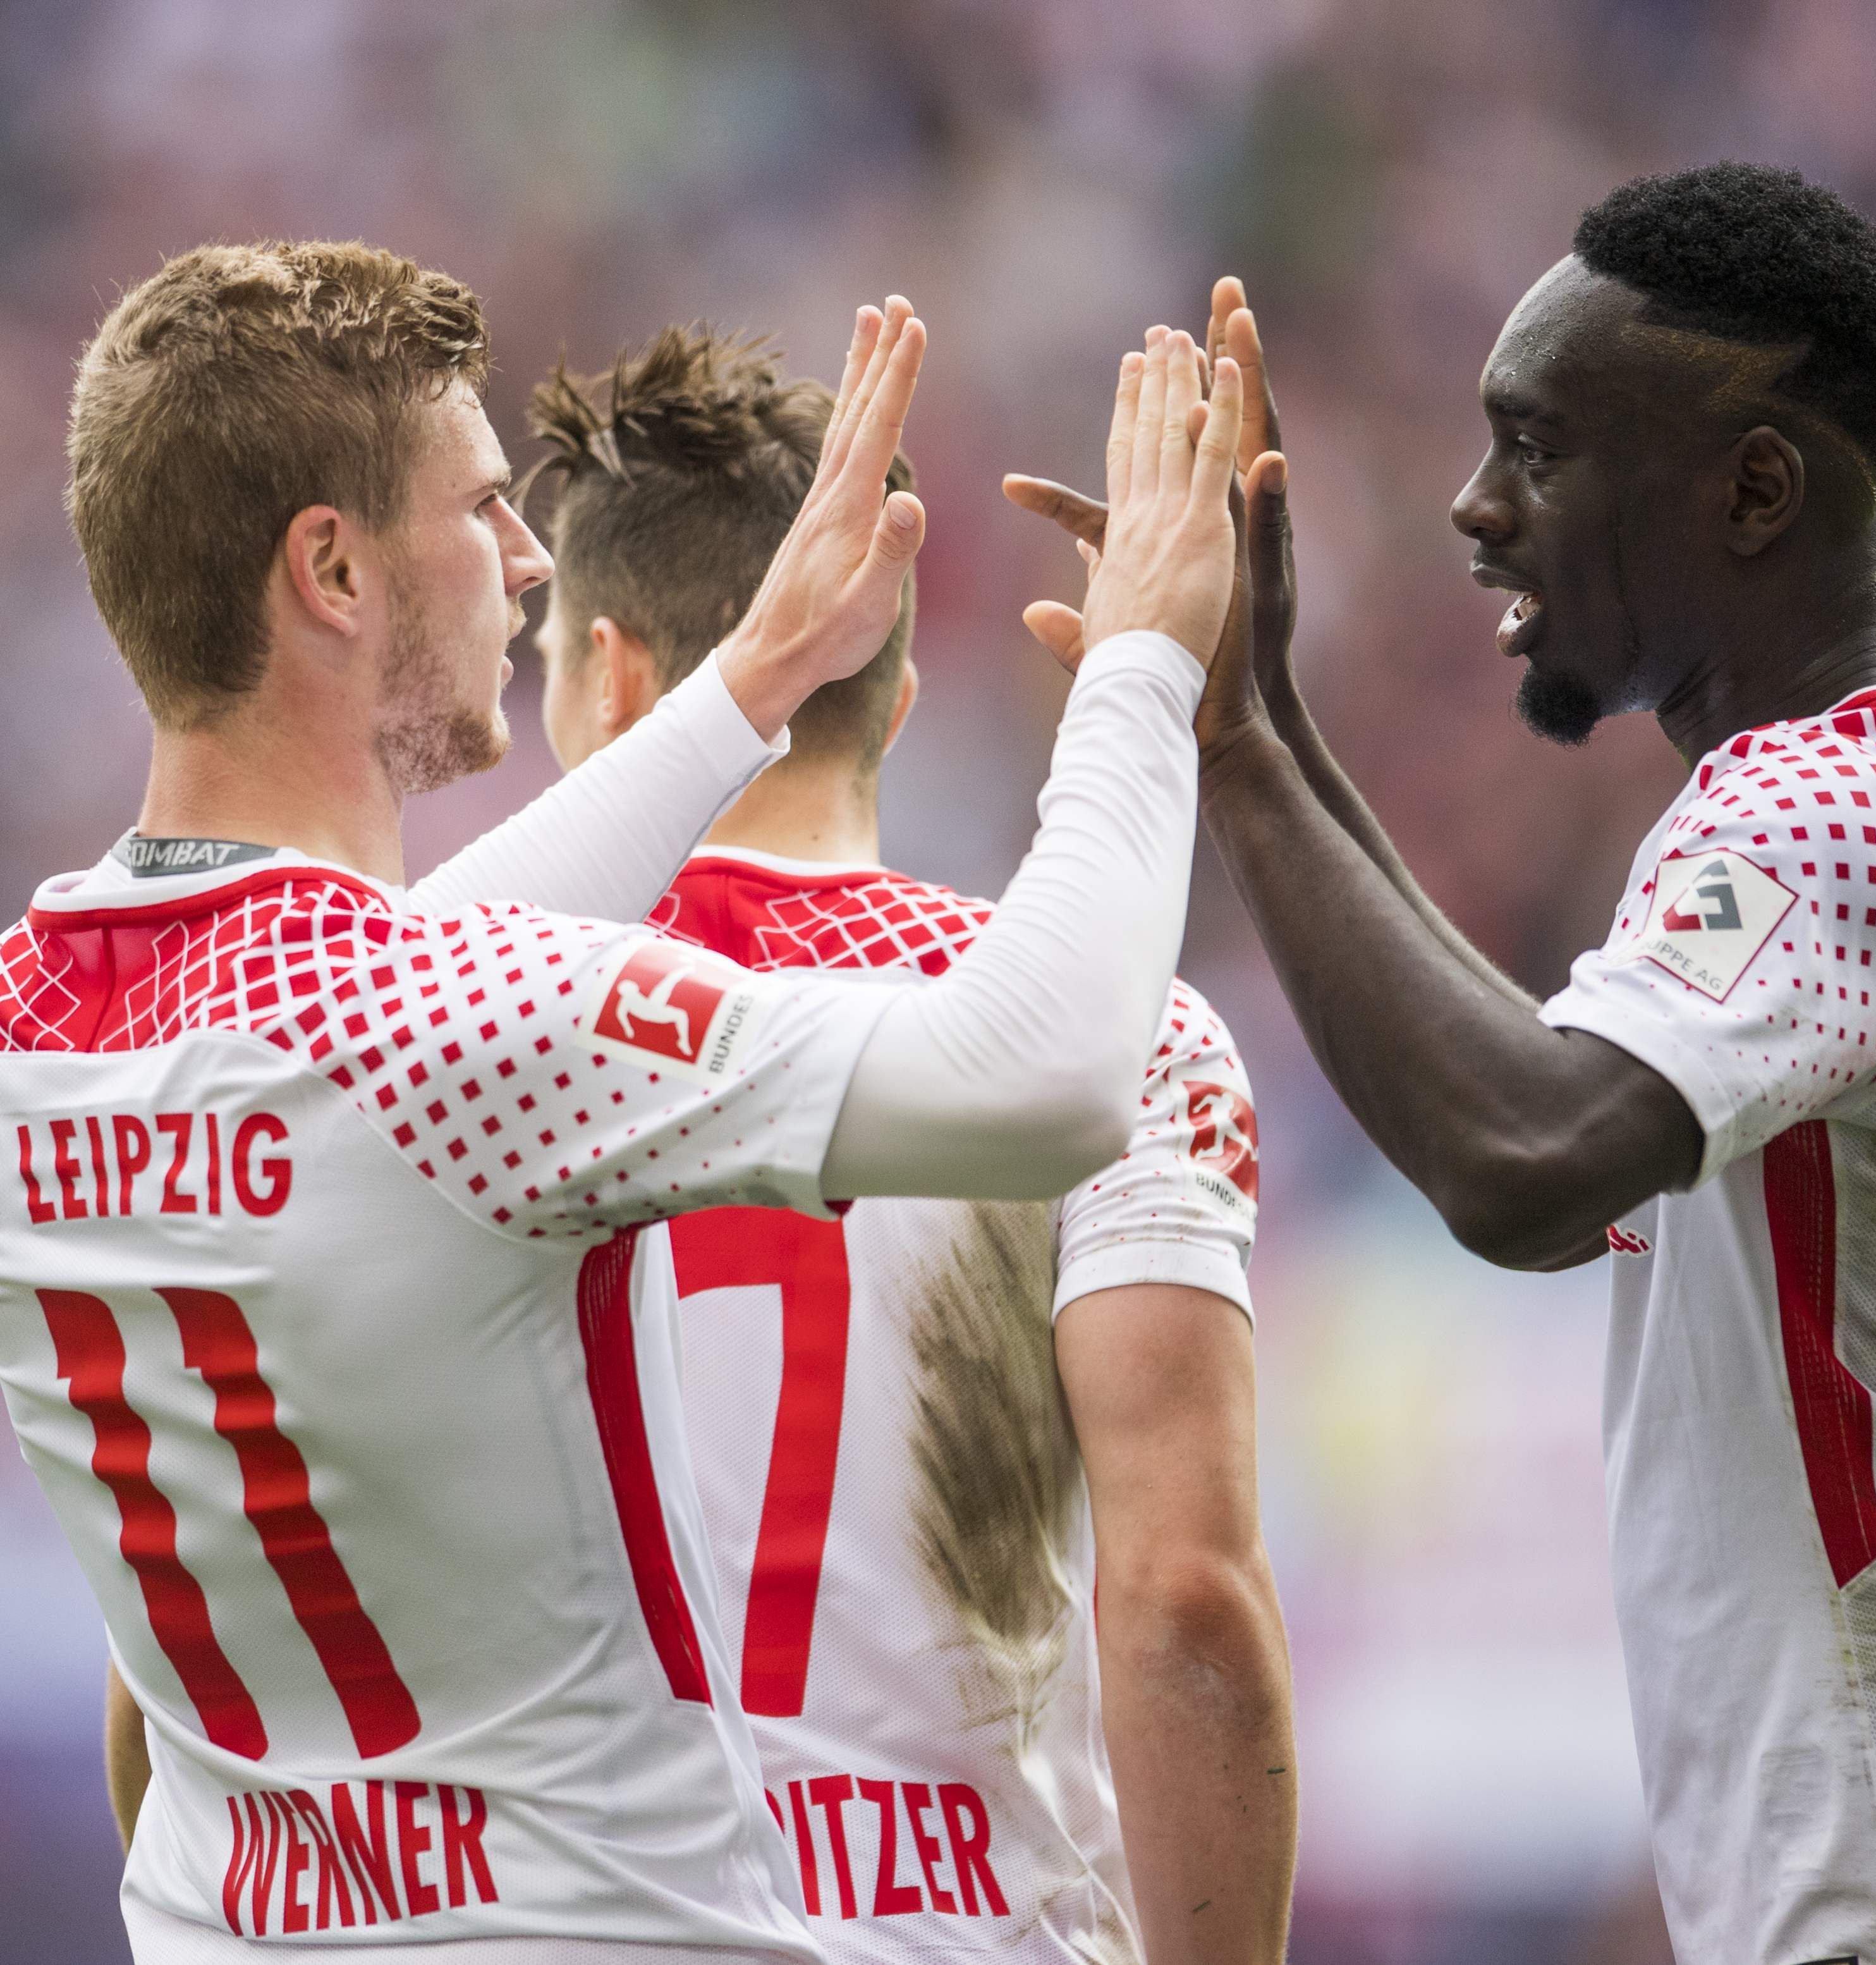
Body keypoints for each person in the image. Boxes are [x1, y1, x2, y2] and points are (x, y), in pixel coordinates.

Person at [0, 240, 1246, 1962]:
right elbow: (1044, 1076)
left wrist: (746, 681)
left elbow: (383, 999)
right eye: (483, 505)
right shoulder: (440, 1030)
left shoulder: (50, 1016)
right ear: (335, 568)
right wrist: (1141, 673)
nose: (526, 560)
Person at [1013, 164, 1876, 1965]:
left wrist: (1225, 738)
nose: (1475, 506)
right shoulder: (1842, 798)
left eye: (1539, 447)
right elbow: (1543, 1124)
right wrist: (1266, 708)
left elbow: (1518, 1153)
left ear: (1753, 487)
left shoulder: (1846, 809)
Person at [522, 325, 1296, 1965]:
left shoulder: (441, 1033)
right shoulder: (1118, 1032)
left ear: (611, 676)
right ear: (899, 689)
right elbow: (1183, 1599)